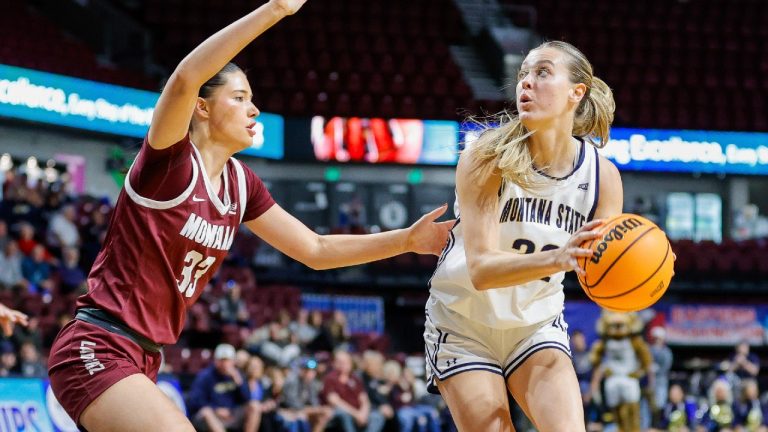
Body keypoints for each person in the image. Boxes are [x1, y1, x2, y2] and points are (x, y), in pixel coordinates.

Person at [46, 1, 453, 431]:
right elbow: (185, 78)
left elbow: (315, 249)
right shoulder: (171, 164)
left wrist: (405, 240)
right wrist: (275, 9)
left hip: (146, 355)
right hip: (97, 344)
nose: (253, 109)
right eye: (239, 98)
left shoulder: (242, 184)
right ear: (201, 108)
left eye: (252, 99)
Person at [424, 40, 621, 432]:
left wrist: (624, 274)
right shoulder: (485, 155)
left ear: (575, 92)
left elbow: (605, 272)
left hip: (536, 324)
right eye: (523, 75)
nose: (526, 83)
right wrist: (560, 258)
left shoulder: (603, 177)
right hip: (464, 323)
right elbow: (480, 269)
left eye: (543, 72)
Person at [187, 344, 258, 432]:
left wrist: (239, 383)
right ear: (215, 360)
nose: (225, 363)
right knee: (207, 412)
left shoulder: (238, 375)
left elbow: (247, 399)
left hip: (232, 413)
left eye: (227, 360)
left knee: (254, 406)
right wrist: (215, 409)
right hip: (212, 415)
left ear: (233, 361)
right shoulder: (205, 376)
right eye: (221, 360)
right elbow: (195, 400)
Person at [321, 349, 385, 432]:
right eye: (340, 362)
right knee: (344, 414)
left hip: (358, 412)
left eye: (346, 362)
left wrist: (363, 413)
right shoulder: (330, 378)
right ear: (334, 363)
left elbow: (364, 399)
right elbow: (334, 401)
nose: (343, 365)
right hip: (342, 411)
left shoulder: (355, 378)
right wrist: (356, 414)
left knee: (377, 416)